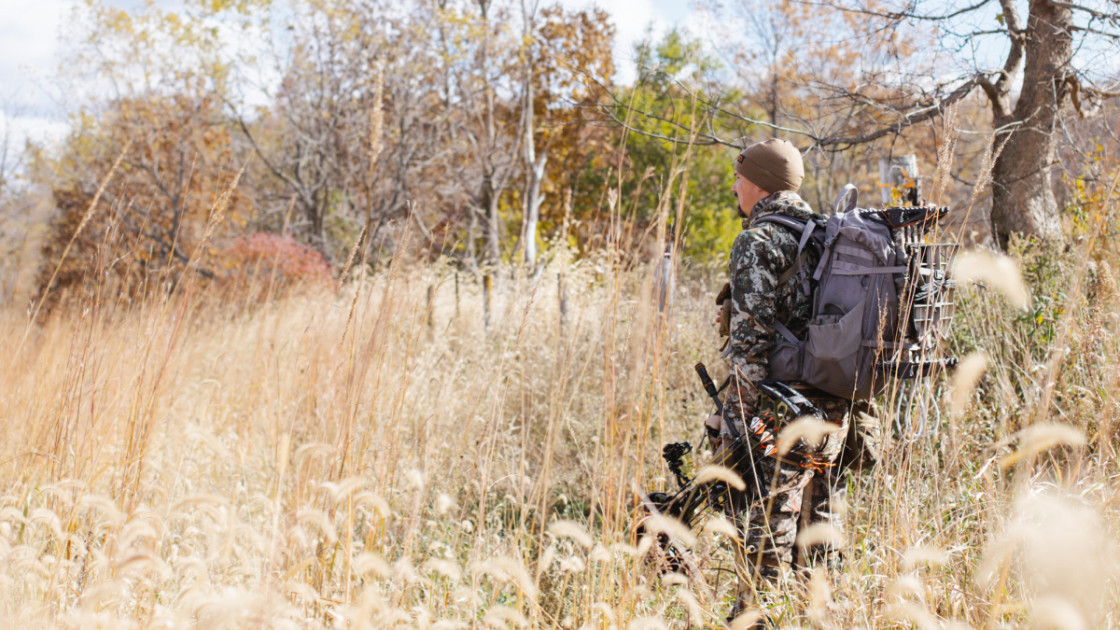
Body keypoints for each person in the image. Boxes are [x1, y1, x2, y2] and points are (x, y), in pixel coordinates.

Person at [709, 139, 879, 625]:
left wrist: (737, 423)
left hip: (781, 411)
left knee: (767, 528)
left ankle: (754, 620)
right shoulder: (828, 232)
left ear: (760, 183)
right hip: (838, 405)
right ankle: (823, 616)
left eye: (740, 177)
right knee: (820, 526)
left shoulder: (758, 240)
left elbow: (750, 342)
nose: (735, 186)